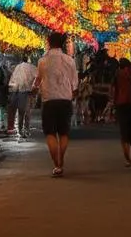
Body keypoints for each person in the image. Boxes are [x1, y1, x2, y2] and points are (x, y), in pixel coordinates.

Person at [33, 32, 79, 177]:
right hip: (65, 100)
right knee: (63, 133)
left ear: (48, 42)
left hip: (49, 101)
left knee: (50, 133)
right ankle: (61, 161)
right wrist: (72, 96)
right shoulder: (69, 60)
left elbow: (37, 80)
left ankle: (57, 164)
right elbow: (75, 85)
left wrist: (34, 89)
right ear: (62, 44)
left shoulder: (42, 61)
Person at [114, 57, 131, 167]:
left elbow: (114, 89)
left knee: (124, 133)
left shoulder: (117, 74)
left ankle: (127, 159)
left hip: (121, 104)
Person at [8, 53, 38, 138]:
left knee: (21, 112)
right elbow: (38, 77)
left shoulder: (18, 67)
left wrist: (12, 92)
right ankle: (26, 130)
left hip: (20, 92)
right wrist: (35, 88)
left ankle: (21, 130)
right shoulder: (32, 67)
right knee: (27, 112)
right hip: (29, 92)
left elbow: (13, 80)